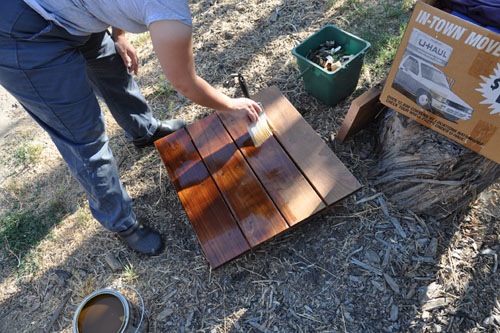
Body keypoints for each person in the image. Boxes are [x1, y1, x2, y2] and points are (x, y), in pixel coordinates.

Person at [0, 0, 262, 256]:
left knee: (112, 68)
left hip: (70, 11)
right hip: (21, 33)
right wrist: (230, 104)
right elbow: (185, 83)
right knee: (83, 137)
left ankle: (144, 131)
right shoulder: (170, 11)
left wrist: (119, 34)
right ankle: (121, 222)